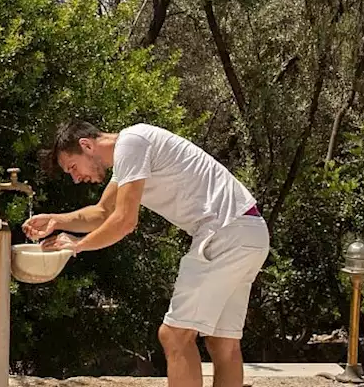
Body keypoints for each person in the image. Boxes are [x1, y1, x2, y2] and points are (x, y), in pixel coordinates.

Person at [24, 121, 269, 387]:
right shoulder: (132, 151)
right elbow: (104, 213)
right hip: (249, 231)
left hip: (223, 234)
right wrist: (56, 220)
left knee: (174, 337)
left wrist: (77, 245)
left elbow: (125, 221)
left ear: (86, 145)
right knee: (223, 342)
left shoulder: (131, 143)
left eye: (73, 167)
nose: (75, 177)